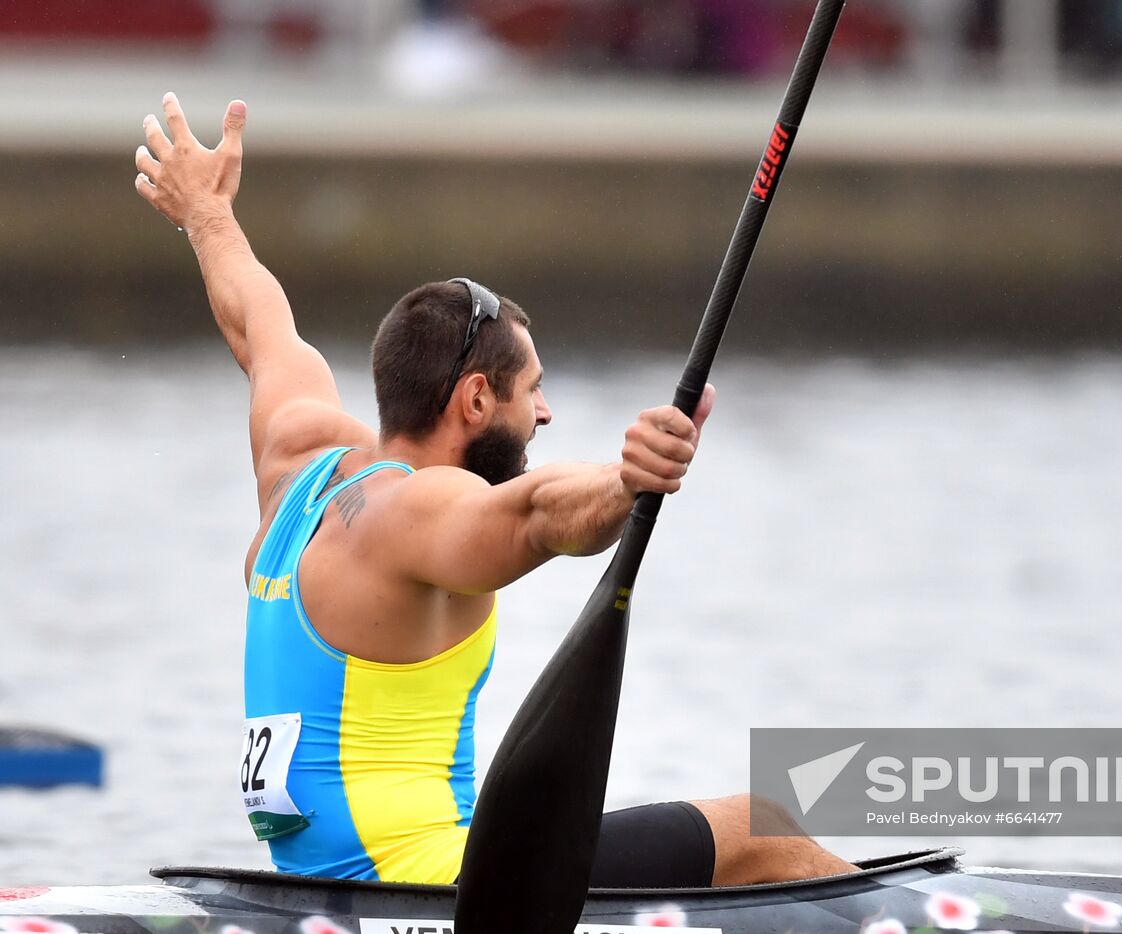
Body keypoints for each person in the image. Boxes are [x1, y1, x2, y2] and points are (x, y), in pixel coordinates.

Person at [133, 92, 857, 888]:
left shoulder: (297, 459)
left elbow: (258, 322)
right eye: (532, 391)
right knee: (765, 829)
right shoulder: (416, 512)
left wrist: (205, 213)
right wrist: (628, 479)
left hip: (322, 879)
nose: (546, 411)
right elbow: (539, 514)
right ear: (476, 400)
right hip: (427, 885)